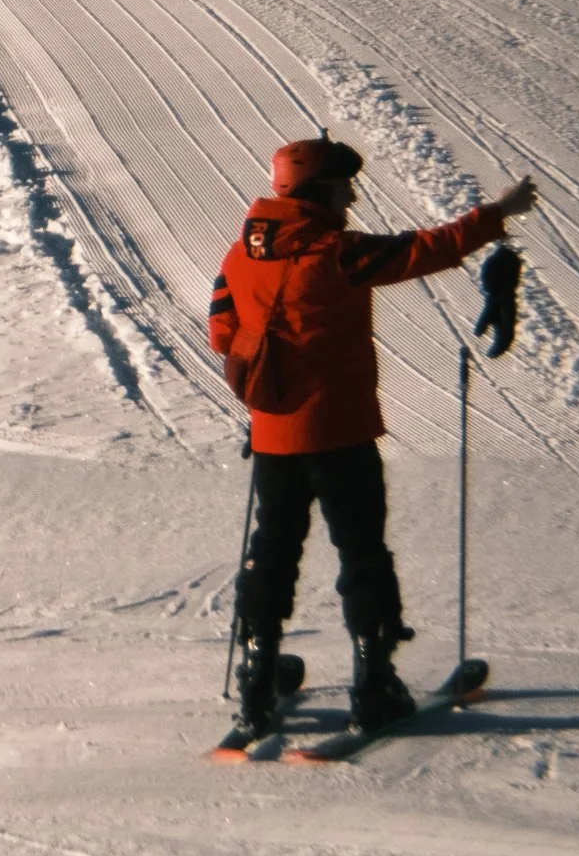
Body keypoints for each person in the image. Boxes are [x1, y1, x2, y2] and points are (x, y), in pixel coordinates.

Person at [208, 135, 537, 735]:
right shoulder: (339, 252)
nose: (352, 195)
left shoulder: (240, 254)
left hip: (275, 435)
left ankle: (255, 681)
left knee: (274, 553)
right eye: (343, 187)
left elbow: (222, 331)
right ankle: (373, 680)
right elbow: (425, 250)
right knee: (361, 553)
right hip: (341, 433)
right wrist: (496, 215)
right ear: (316, 192)